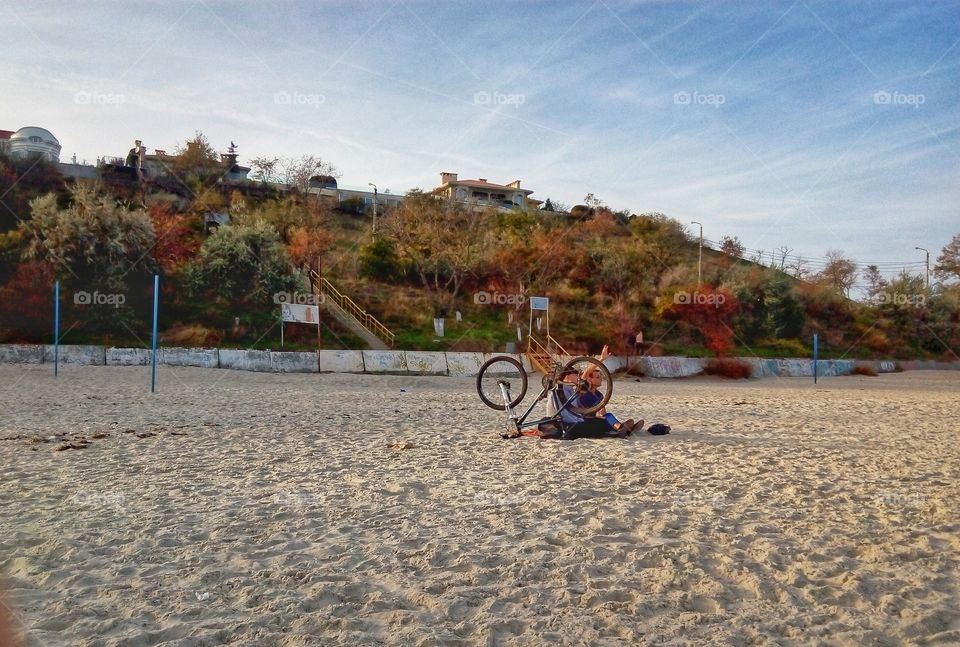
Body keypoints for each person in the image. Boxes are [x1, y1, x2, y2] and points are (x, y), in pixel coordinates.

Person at [578, 345, 643, 435]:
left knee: (606, 416)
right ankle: (621, 428)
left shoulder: (599, 395)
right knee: (608, 417)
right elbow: (585, 374)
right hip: (581, 419)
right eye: (597, 377)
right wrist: (601, 359)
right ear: (590, 379)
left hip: (593, 420)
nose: (601, 378)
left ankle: (622, 428)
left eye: (600, 376)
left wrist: (601, 415)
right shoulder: (583, 390)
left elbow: (602, 412)